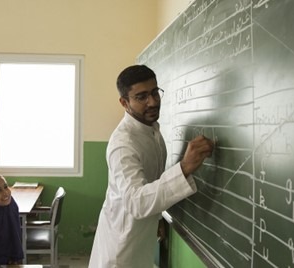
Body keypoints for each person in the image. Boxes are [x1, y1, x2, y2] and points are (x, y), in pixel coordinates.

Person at [89, 65, 215, 267]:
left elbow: (151, 182)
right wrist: (184, 168)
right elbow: (136, 201)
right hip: (120, 249)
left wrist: (157, 219)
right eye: (141, 97)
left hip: (140, 237)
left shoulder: (151, 131)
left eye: (155, 92)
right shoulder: (123, 145)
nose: (153, 101)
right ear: (124, 102)